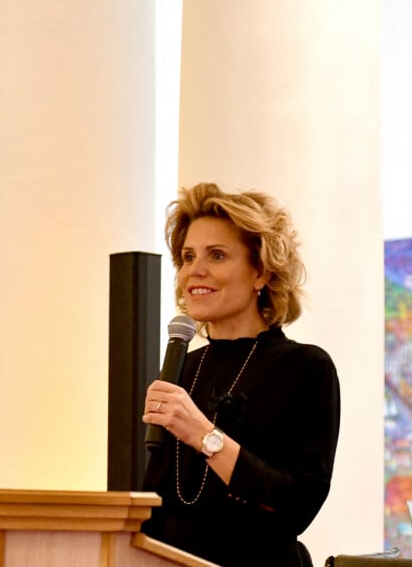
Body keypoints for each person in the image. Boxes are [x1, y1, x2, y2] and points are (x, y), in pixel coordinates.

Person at [141, 183, 340, 566]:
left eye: (216, 255)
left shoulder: (306, 368)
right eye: (187, 256)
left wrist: (203, 435)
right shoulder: (179, 370)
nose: (194, 271)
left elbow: (297, 506)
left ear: (260, 272)